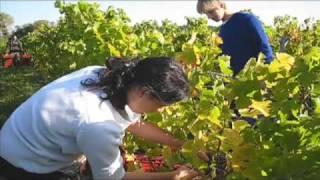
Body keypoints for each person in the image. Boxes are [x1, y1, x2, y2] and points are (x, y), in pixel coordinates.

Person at [0, 57, 199, 180]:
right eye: (161, 105)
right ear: (144, 92)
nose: (160, 111)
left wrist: (183, 144)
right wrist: (172, 177)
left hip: (16, 137)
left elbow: (131, 122)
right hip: (24, 164)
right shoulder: (97, 124)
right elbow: (113, 178)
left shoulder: (109, 76)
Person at [197, 0, 274, 75]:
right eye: (206, 14)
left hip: (253, 80)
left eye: (211, 12)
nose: (209, 17)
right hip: (236, 83)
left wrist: (264, 76)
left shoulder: (247, 19)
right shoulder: (222, 31)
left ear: (221, 5)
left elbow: (265, 49)